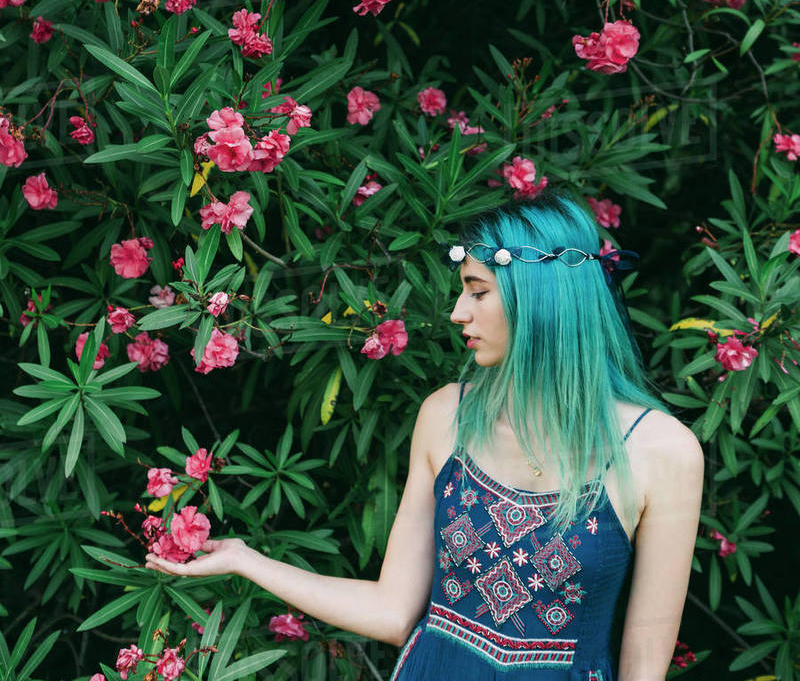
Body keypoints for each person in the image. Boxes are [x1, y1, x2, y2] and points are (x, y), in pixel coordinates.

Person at [145, 189, 704, 681]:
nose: (457, 311)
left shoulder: (662, 452)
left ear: (541, 299)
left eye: (478, 291)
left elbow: (644, 666)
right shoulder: (447, 417)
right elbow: (393, 612)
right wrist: (247, 559)